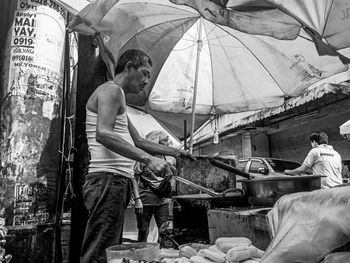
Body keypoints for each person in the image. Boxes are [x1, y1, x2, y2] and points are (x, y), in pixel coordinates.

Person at [81, 49, 193, 263]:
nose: (146, 81)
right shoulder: (111, 90)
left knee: (107, 249)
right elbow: (103, 133)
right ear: (130, 66)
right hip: (107, 181)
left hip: (114, 183)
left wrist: (177, 152)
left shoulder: (118, 96)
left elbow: (139, 141)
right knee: (99, 253)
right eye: (145, 73)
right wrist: (148, 160)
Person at [134, 131, 174, 242]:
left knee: (165, 232)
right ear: (155, 142)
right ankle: (141, 255)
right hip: (144, 201)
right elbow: (134, 177)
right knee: (143, 231)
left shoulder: (168, 159)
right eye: (163, 141)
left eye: (167, 141)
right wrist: (137, 199)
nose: (167, 144)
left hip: (162, 201)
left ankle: (162, 255)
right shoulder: (142, 158)